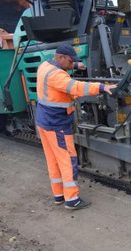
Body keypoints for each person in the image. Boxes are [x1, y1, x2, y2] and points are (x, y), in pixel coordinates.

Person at [36, 44, 117, 210]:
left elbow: (62, 82)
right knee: (67, 160)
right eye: (71, 62)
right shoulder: (57, 75)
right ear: (61, 58)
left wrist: (76, 65)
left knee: (53, 160)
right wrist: (102, 87)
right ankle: (72, 199)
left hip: (44, 122)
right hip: (56, 124)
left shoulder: (45, 66)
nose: (72, 65)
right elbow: (76, 87)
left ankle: (59, 195)